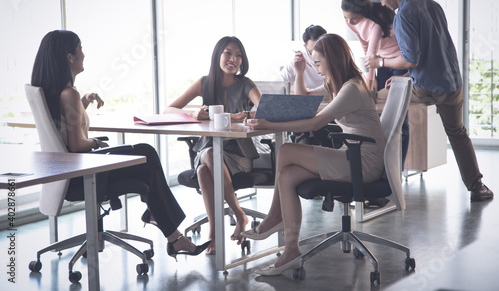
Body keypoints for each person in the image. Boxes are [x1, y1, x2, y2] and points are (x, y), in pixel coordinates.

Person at [31, 30, 210, 260]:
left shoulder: (55, 93)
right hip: (81, 174)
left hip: (67, 174)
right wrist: (95, 142)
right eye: (80, 49)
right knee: (147, 153)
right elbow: (76, 145)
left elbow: (63, 134)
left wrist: (82, 104)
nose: (84, 54)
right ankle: (165, 225)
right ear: (69, 57)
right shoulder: (69, 94)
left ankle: (171, 232)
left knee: (146, 164)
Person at [241, 33, 386, 276]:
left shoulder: (351, 88)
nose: (316, 69)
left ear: (332, 59)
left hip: (362, 163)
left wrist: (269, 124)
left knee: (286, 150)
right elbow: (304, 100)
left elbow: (314, 124)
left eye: (318, 63)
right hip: (351, 156)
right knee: (287, 176)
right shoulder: (339, 84)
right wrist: (299, 72)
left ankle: (275, 217)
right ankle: (291, 249)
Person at [369, 0, 493, 201]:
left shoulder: (403, 14)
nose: (383, 4)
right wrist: (405, 76)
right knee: (458, 133)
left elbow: (411, 58)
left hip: (425, 88)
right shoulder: (432, 4)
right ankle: (477, 187)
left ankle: (378, 183)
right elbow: (432, 49)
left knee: (372, 102)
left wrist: (380, 61)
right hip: (452, 83)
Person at [164, 36, 261, 255]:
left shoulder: (246, 84)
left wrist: (243, 115)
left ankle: (220, 230)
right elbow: (168, 110)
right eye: (228, 53)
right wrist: (192, 113)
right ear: (218, 55)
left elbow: (265, 108)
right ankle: (237, 217)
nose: (233, 59)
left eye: (238, 55)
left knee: (203, 170)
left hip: (238, 154)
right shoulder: (204, 83)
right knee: (206, 159)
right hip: (208, 149)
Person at [341, 0, 410, 168]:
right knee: (381, 112)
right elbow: (366, 50)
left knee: (400, 117)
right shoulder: (351, 22)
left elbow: (371, 54)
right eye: (346, 18)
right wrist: (371, 80)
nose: (349, 22)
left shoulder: (375, 23)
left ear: (362, 13)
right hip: (381, 61)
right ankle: (382, 166)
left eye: (353, 18)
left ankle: (398, 169)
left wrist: (369, 84)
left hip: (398, 60)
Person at [280, 25, 326, 92]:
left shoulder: (334, 60)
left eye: (322, 51)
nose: (317, 56)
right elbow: (277, 87)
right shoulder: (298, 60)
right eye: (312, 52)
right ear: (305, 47)